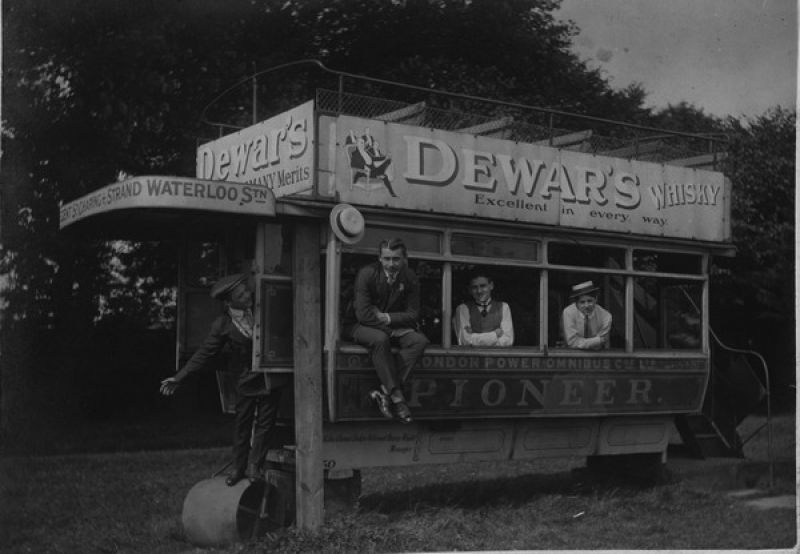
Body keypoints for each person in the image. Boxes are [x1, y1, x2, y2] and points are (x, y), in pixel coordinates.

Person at [159, 273, 286, 486]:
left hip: (270, 376)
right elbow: (204, 353)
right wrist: (179, 377)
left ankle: (255, 466)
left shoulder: (262, 307)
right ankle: (238, 468)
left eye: (246, 290)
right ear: (229, 302)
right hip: (246, 380)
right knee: (242, 424)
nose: (247, 295)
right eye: (241, 294)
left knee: (266, 423)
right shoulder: (222, 325)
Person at [342, 238, 428, 423]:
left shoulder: (410, 277)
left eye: (396, 259)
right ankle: (397, 397)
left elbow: (413, 314)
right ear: (379, 258)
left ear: (404, 259)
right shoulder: (367, 273)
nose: (391, 264)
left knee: (419, 341)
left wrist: (388, 318)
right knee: (380, 339)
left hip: (391, 325)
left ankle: (384, 391)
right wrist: (391, 331)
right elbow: (363, 314)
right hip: (356, 325)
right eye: (387, 258)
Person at [454, 271, 514, 347]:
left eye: (483, 286)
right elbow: (465, 341)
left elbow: (508, 341)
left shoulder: (503, 307)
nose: (479, 291)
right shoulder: (463, 309)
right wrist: (495, 335)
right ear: (470, 290)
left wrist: (475, 338)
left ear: (491, 286)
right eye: (474, 287)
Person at [562, 280, 612, 350]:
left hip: (596, 355)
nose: (587, 306)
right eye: (582, 302)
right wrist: (597, 340)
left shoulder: (606, 316)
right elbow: (572, 342)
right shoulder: (568, 312)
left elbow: (599, 345)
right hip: (572, 353)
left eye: (590, 301)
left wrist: (580, 342)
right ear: (576, 303)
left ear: (596, 299)